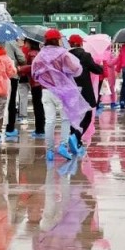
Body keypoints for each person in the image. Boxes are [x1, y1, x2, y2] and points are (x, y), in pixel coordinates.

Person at [31, 29, 86, 162]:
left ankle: (49, 151)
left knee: (49, 121)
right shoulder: (63, 54)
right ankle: (63, 145)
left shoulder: (40, 55)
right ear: (58, 40)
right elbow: (74, 69)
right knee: (65, 119)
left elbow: (34, 73)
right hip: (62, 92)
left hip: (46, 91)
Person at [68, 34, 104, 152]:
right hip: (85, 90)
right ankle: (76, 136)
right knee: (87, 116)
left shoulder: (66, 56)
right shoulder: (85, 55)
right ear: (81, 44)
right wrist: (100, 67)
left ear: (69, 44)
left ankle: (75, 140)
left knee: (74, 116)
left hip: (71, 89)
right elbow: (96, 69)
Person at [18, 39, 45, 139]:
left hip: (36, 83)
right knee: (39, 106)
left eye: (26, 42)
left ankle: (40, 129)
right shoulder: (39, 52)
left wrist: (21, 69)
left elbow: (34, 67)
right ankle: (40, 128)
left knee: (38, 106)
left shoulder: (33, 53)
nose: (25, 45)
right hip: (39, 83)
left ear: (30, 43)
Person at [3, 40, 27, 139]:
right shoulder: (11, 42)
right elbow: (22, 59)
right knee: (11, 101)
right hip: (11, 74)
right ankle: (10, 128)